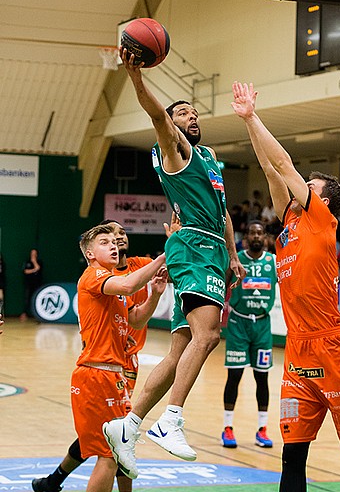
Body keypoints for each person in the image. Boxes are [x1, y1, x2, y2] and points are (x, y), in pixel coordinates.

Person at [231, 81, 340, 492]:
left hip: (331, 350)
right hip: (298, 354)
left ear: (323, 201)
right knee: (292, 456)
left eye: (310, 186)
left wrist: (253, 115)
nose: (301, 187)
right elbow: (271, 170)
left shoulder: (322, 220)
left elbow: (283, 163)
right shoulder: (289, 222)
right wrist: (247, 124)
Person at [102, 48, 246, 479]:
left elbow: (223, 212)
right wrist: (135, 77)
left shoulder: (209, 158)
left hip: (211, 249)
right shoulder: (174, 149)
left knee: (182, 347)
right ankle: (171, 419)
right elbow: (155, 114)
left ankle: (128, 425)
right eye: (182, 113)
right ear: (171, 123)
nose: (191, 117)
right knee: (210, 334)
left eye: (194, 113)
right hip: (195, 247)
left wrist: (233, 256)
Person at [31, 220, 168, 492]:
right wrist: (165, 254)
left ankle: (53, 482)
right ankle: (54, 481)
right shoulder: (94, 275)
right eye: (105, 243)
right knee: (110, 454)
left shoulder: (113, 284)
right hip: (96, 375)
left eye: (115, 241)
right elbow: (129, 285)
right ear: (90, 253)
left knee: (118, 447)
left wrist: (154, 294)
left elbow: (137, 320)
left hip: (113, 376)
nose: (114, 246)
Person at [221, 220, 277, 449]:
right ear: (245, 238)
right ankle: (227, 427)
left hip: (262, 325)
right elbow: (223, 286)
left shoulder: (273, 262)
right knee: (234, 376)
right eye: (252, 233)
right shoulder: (236, 260)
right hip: (238, 323)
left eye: (260, 233)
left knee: (262, 377)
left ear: (265, 238)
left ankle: (262, 429)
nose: (256, 236)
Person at [20, 248, 42, 320]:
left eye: (34, 254)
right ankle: (24, 313)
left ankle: (37, 315)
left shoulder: (39, 262)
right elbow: (26, 271)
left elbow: (38, 268)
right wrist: (34, 270)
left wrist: (34, 262)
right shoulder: (27, 262)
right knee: (27, 299)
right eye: (32, 253)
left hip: (37, 284)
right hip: (28, 284)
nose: (33, 255)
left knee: (37, 299)